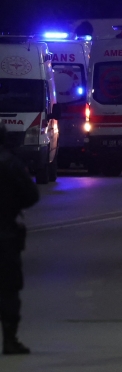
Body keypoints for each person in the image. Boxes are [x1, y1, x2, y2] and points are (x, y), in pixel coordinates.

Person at [0, 125, 40, 355]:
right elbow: (31, 195)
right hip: (5, 233)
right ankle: (9, 338)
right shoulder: (11, 163)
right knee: (8, 289)